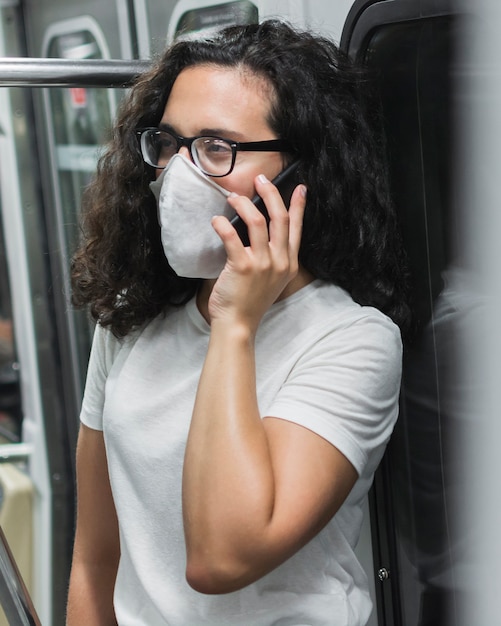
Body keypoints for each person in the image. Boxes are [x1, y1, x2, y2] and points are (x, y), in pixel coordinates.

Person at [66, 19, 410, 626]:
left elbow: (223, 556)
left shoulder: (352, 340)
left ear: (297, 175)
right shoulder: (130, 318)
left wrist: (234, 325)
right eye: (168, 144)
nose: (177, 173)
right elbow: (96, 559)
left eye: (216, 148)